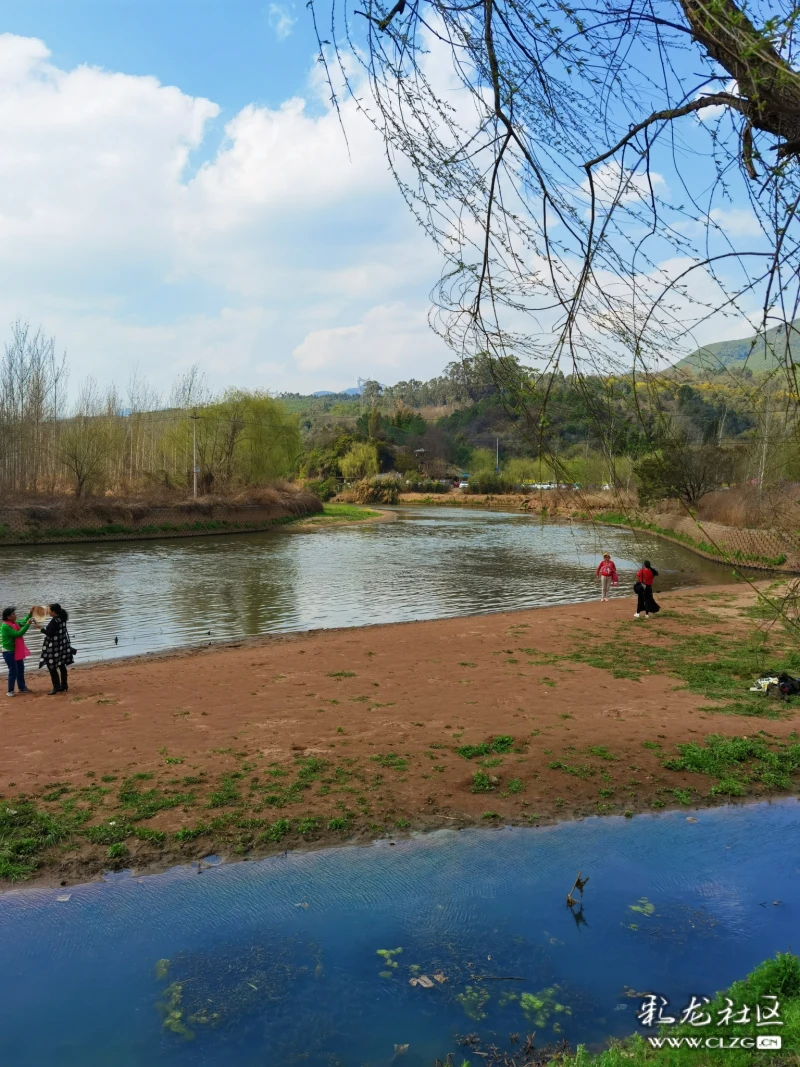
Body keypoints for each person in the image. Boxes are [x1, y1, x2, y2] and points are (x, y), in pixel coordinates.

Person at [1, 607, 37, 697]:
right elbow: (18, 634)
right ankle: (10, 691)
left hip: (16, 650)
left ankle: (22, 688)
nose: (15, 615)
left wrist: (30, 614)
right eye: (13, 614)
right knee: (13, 671)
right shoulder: (5, 626)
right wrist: (28, 624)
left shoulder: (13, 623)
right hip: (8, 652)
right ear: (8, 617)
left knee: (20, 669)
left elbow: (22, 623)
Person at [39, 603, 74, 694]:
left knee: (51, 665)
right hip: (62, 644)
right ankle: (64, 684)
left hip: (54, 646)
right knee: (61, 664)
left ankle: (56, 686)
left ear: (54, 611)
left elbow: (49, 633)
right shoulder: (62, 618)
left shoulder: (54, 620)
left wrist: (40, 628)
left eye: (49, 610)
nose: (48, 612)